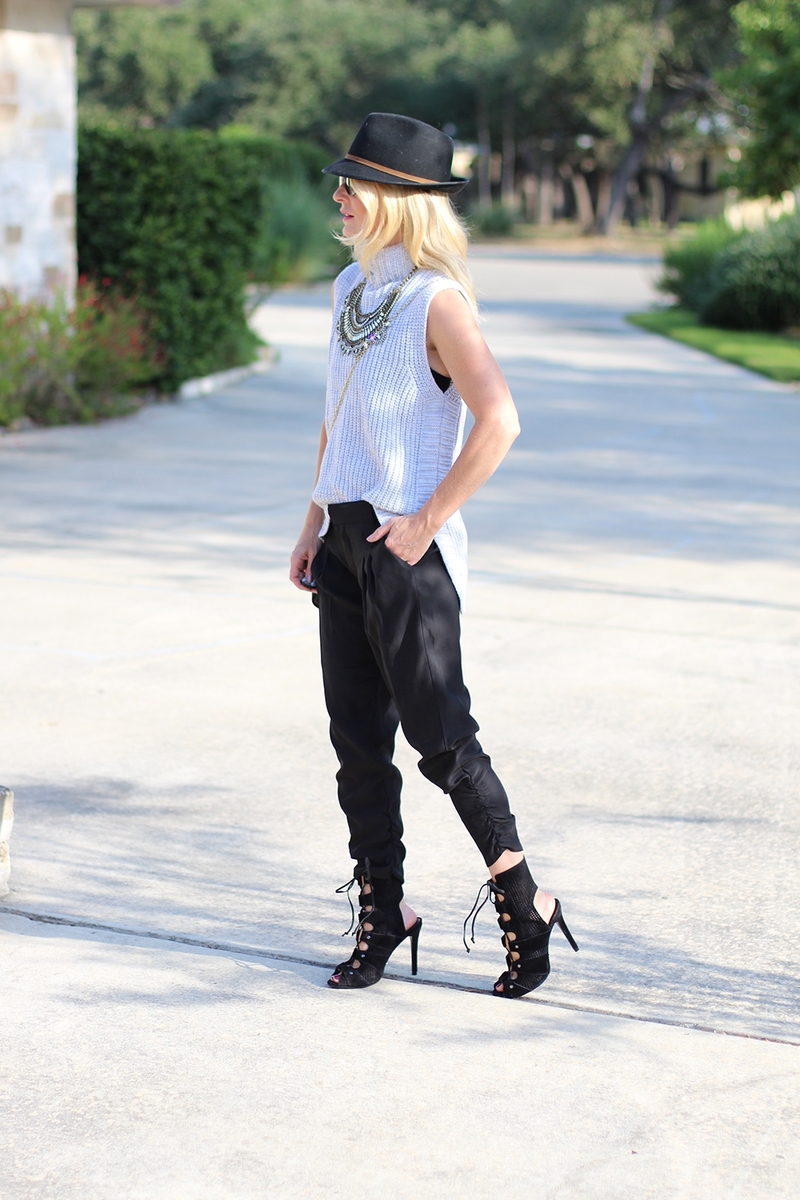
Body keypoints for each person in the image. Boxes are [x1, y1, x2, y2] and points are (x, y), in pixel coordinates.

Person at [290, 112, 578, 996]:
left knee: (443, 742)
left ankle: (525, 899)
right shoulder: (349, 291)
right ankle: (387, 911)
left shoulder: (436, 303)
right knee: (356, 745)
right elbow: (339, 418)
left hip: (408, 554)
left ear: (398, 201)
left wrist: (425, 517)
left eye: (352, 184)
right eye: (339, 182)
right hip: (343, 540)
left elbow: (502, 421)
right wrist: (311, 524)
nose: (337, 195)